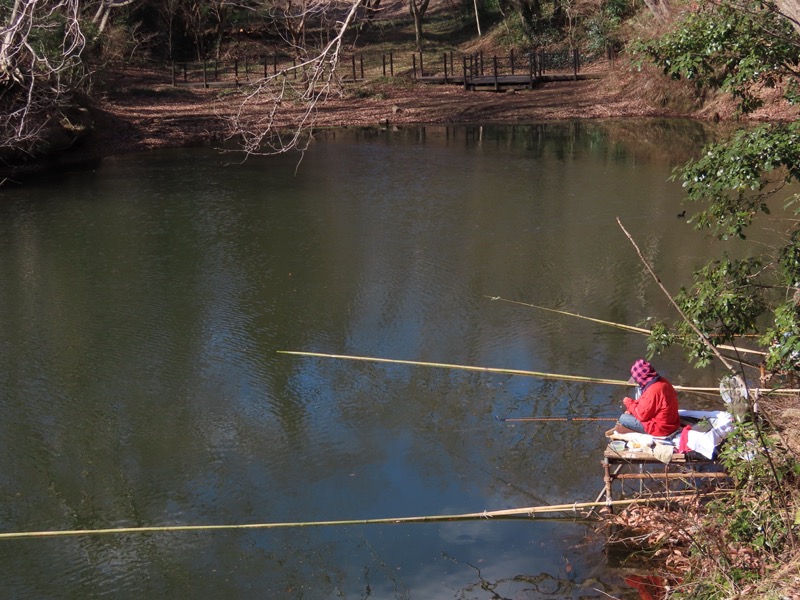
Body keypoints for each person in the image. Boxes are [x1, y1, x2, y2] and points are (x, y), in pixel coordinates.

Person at [618, 359, 681, 437]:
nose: (637, 382)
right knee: (630, 413)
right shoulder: (663, 381)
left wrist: (628, 403)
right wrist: (631, 408)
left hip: (661, 429)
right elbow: (646, 402)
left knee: (623, 418)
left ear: (641, 378)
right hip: (672, 423)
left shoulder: (653, 390)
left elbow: (641, 415)